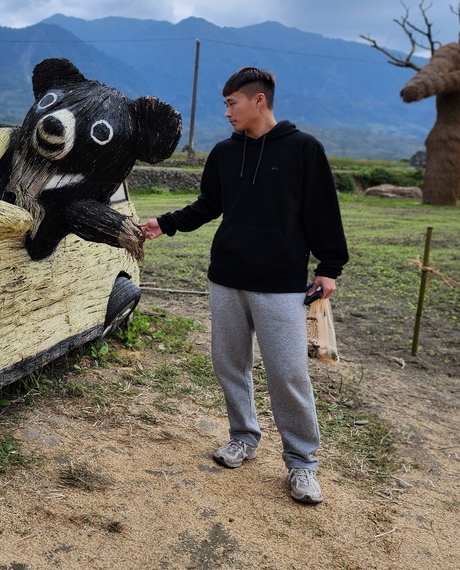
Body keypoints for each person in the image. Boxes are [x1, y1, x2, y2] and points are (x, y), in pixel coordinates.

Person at [141, 66, 348, 505]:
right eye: (225, 104)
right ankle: (243, 438)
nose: (227, 112)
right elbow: (208, 206)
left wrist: (329, 267)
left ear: (259, 101)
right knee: (229, 364)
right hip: (227, 278)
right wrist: (166, 224)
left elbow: (323, 213)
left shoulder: (304, 150)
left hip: (280, 284)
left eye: (232, 103)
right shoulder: (224, 153)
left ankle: (302, 463)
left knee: (287, 374)